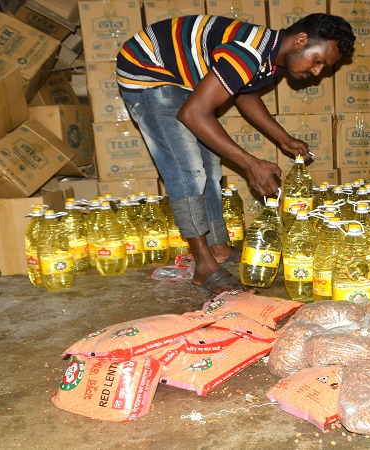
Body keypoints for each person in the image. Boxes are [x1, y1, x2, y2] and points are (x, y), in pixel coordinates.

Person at [116, 14, 355, 294]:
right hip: (148, 72)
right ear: (301, 40)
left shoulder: (274, 59)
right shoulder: (248, 52)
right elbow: (193, 113)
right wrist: (249, 163)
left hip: (182, 80)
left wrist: (283, 139)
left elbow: (245, 93)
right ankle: (204, 266)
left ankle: (217, 247)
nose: (317, 72)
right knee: (188, 169)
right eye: (318, 61)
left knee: (210, 165)